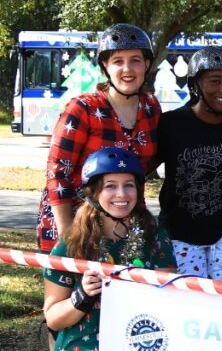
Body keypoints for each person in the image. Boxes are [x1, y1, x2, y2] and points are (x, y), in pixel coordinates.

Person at [12, 148, 175, 351]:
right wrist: (82, 296)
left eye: (129, 185)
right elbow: (54, 318)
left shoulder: (153, 237)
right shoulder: (71, 246)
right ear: (94, 192)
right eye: (110, 186)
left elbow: (172, 294)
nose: (121, 195)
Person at [37, 23, 160, 253]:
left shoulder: (151, 107)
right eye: (118, 61)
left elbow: (150, 162)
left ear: (147, 64)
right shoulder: (84, 108)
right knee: (76, 289)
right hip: (75, 219)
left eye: (135, 60)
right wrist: (68, 239)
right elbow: (57, 173)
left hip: (123, 222)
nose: (127, 69)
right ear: (105, 66)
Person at [156, 46, 222, 281]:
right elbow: (142, 168)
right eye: (215, 81)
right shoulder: (170, 125)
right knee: (190, 303)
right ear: (195, 84)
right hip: (179, 232)